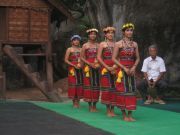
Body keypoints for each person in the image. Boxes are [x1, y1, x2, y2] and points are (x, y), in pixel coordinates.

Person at [112, 23, 140, 121]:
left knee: (131, 91)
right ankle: (124, 115)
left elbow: (137, 58)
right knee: (122, 91)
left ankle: (130, 114)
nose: (129, 32)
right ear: (123, 32)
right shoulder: (118, 44)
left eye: (131, 30)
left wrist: (134, 67)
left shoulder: (135, 44)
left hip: (131, 70)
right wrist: (123, 67)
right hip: (121, 70)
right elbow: (114, 58)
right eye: (127, 30)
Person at [97, 26, 117, 117]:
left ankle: (113, 109)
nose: (110, 34)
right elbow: (99, 57)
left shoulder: (116, 44)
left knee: (114, 88)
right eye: (108, 33)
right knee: (107, 88)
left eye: (112, 33)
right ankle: (108, 109)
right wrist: (107, 67)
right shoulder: (102, 44)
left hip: (115, 67)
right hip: (105, 67)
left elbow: (118, 57)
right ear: (105, 34)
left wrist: (115, 66)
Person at [81, 28, 100, 112]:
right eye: (91, 34)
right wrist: (89, 64)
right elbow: (82, 57)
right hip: (88, 67)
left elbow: (100, 56)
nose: (93, 35)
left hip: (97, 67)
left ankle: (95, 105)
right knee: (88, 85)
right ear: (88, 35)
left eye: (94, 34)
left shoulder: (99, 45)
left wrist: (97, 64)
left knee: (96, 85)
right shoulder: (85, 45)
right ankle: (89, 105)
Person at [64, 35, 83, 108]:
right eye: (75, 40)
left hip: (80, 68)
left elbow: (83, 59)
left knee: (79, 84)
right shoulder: (69, 49)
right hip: (72, 68)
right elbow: (66, 60)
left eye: (78, 40)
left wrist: (81, 65)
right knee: (73, 84)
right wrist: (73, 65)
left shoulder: (81, 49)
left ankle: (78, 101)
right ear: (72, 41)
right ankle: (74, 101)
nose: (76, 41)